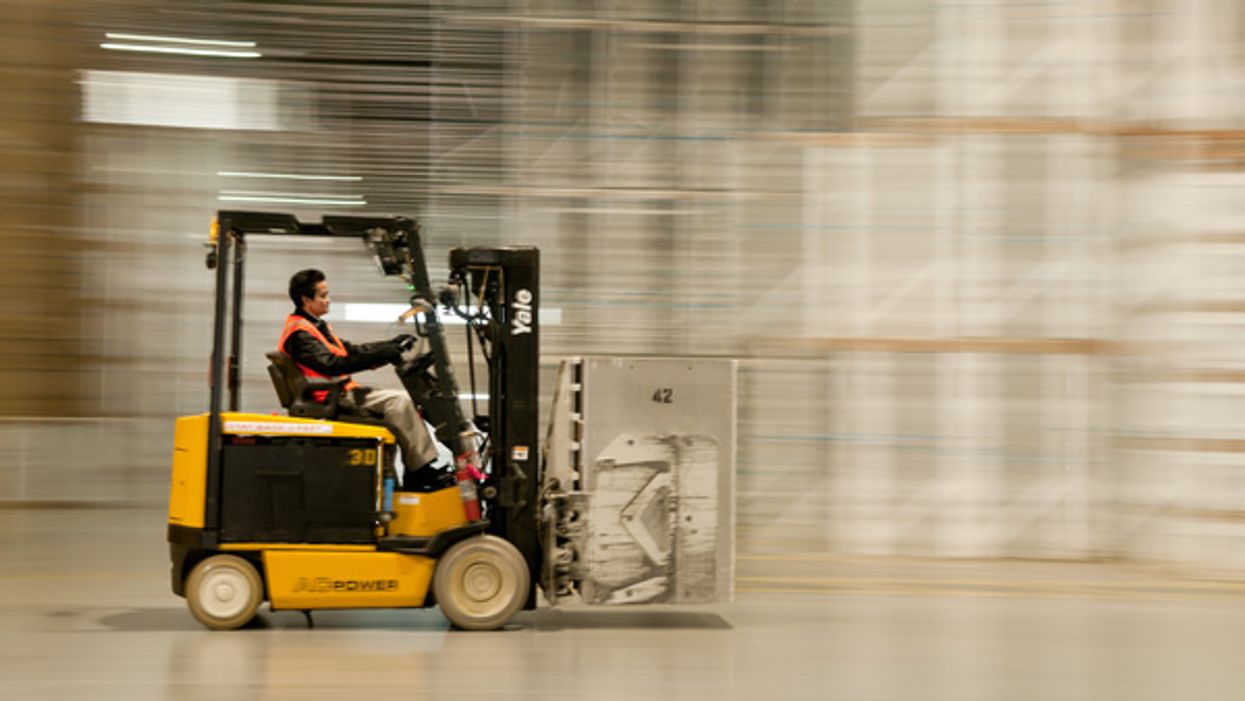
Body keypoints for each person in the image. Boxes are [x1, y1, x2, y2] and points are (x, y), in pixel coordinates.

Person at [279, 268, 443, 487]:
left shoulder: (315, 326)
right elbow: (332, 365)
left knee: (402, 401)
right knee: (400, 402)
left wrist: (389, 346)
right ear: (305, 299)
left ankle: (418, 468)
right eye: (323, 296)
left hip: (338, 393)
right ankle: (419, 471)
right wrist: (382, 355)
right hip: (330, 398)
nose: (328, 300)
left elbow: (351, 350)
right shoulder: (300, 335)